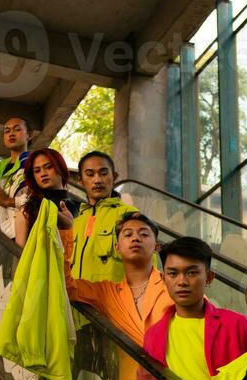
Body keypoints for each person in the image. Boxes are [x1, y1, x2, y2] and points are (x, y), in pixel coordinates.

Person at [137, 236, 247, 380]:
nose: (182, 281)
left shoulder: (237, 325)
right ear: (163, 278)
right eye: (173, 273)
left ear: (209, 277)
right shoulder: (154, 335)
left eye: (192, 272)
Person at [58, 209, 171, 347]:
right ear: (117, 247)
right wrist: (65, 231)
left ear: (156, 247)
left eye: (144, 234)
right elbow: (66, 286)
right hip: (129, 368)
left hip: (172, 368)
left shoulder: (173, 286)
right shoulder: (107, 293)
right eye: (128, 234)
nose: (135, 238)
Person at [71, 151, 138, 283]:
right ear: (80, 180)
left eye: (103, 173)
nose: (97, 180)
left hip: (113, 302)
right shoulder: (75, 222)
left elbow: (146, 266)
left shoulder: (130, 216)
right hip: (75, 302)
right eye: (90, 174)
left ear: (114, 176)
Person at [15, 149, 82, 248]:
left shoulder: (81, 207)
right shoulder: (27, 211)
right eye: (37, 171)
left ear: (61, 168)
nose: (43, 173)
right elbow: (19, 254)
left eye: (48, 167)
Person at [0, 116, 33, 239]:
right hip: (2, 234)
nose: (11, 134)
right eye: (7, 131)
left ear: (29, 135)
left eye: (17, 129)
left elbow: (40, 199)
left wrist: (8, 201)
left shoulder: (35, 163)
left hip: (26, 232)